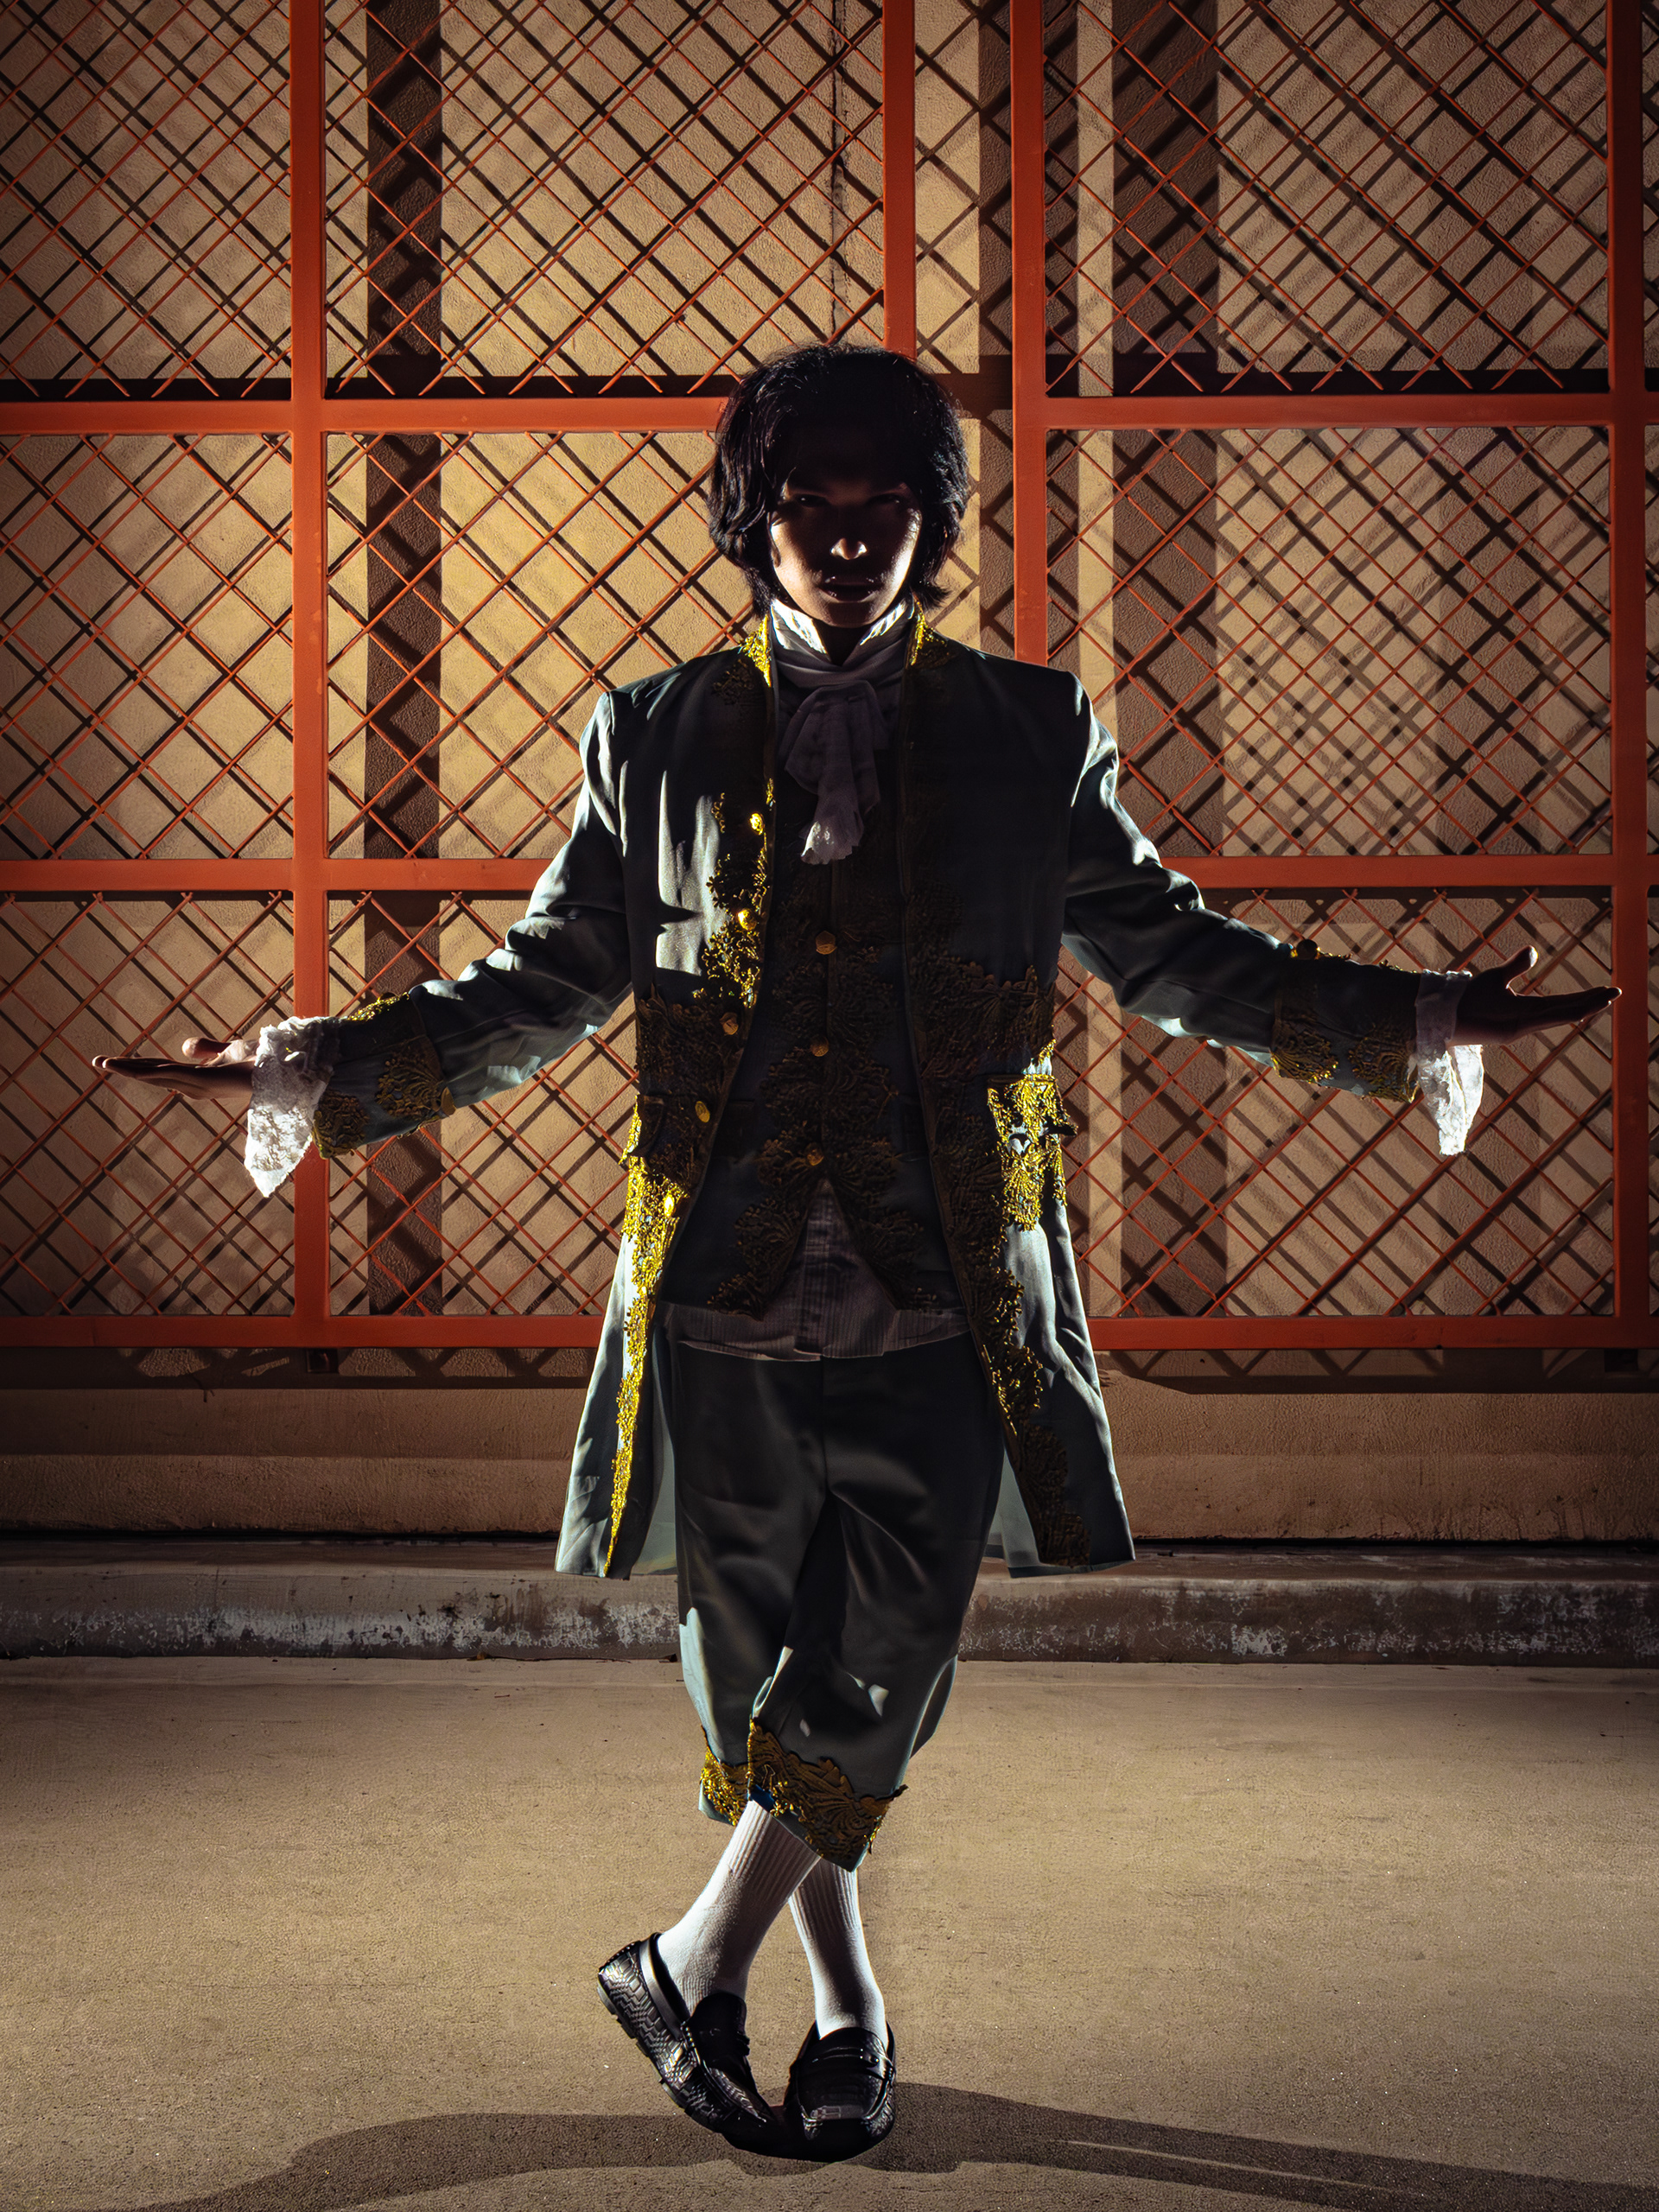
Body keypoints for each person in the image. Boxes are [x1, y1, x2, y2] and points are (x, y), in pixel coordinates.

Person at [94, 345, 1618, 2164]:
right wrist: (313, 1065)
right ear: (755, 519)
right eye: (808, 502)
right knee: (757, 1688)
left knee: (879, 1657)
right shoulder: (651, 732)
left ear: (928, 520)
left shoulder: (1029, 730)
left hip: (948, 1282)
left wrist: (1420, 1014)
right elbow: (546, 984)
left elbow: (1178, 954)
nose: (844, 534)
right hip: (720, 1286)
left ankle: (686, 1961)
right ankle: (843, 2013)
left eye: (881, 502)